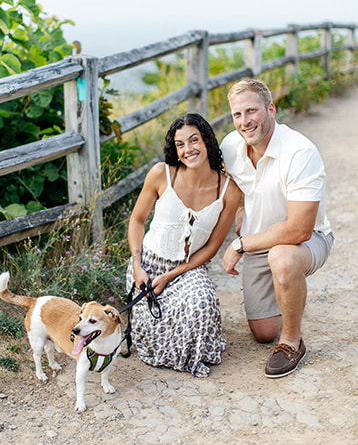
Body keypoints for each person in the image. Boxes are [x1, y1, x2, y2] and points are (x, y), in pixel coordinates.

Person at [221, 78, 333, 379]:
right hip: (259, 241)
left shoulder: (299, 152)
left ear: (270, 109)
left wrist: (239, 244)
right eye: (237, 114)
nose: (245, 122)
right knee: (263, 331)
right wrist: (243, 208)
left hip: (308, 241)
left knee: (283, 260)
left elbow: (299, 230)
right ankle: (284, 301)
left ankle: (292, 342)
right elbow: (233, 184)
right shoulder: (230, 147)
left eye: (251, 111)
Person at [125, 113, 241, 377]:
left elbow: (211, 247)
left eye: (193, 140)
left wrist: (172, 275)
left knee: (203, 302)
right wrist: (137, 265)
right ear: (175, 150)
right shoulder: (161, 174)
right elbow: (137, 220)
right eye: (180, 144)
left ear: (207, 141)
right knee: (158, 322)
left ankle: (192, 352)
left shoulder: (229, 190)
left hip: (188, 268)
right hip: (149, 267)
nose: (188, 149)